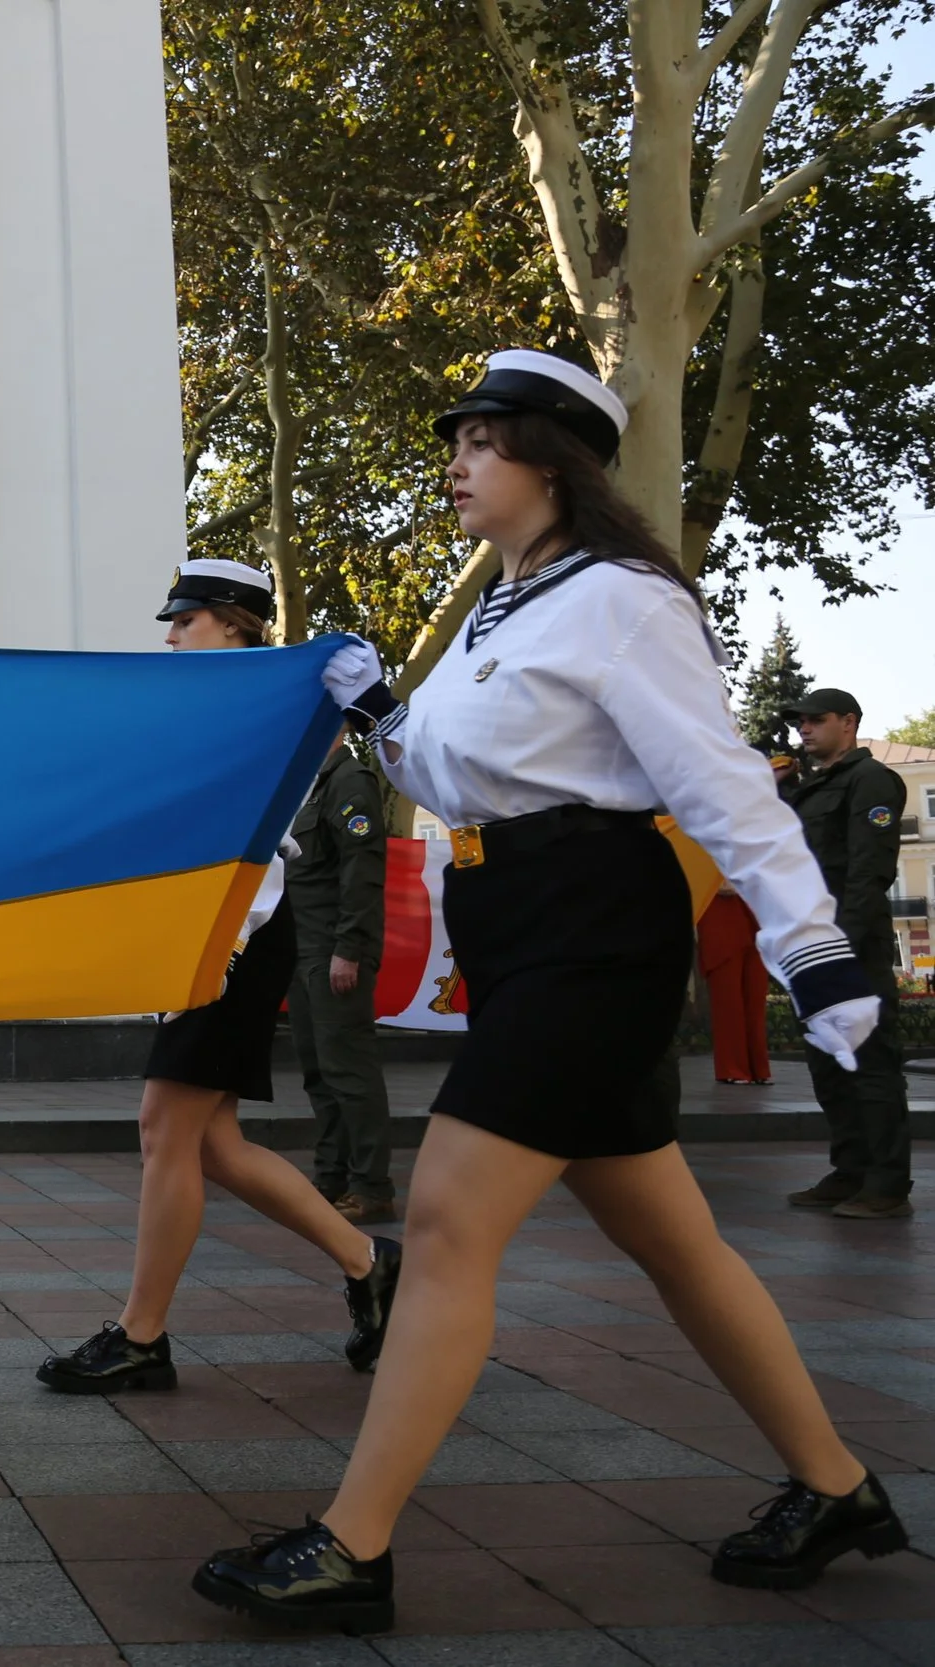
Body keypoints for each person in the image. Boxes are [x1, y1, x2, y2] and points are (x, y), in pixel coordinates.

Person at [194, 349, 905, 1634]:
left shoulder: (627, 599)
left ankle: (353, 1545)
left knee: (454, 1218)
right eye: (456, 439)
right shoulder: (499, 605)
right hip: (515, 921)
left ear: (549, 460)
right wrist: (381, 713)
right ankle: (836, 1483)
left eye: (481, 440)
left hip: (595, 926)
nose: (456, 463)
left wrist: (814, 947)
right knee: (673, 1238)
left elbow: (718, 782)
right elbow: (459, 773)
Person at [38, 559, 400, 1398]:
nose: (170, 637)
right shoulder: (211, 706)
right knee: (213, 1144)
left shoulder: (267, 705)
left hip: (244, 930)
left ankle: (141, 1335)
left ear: (234, 621)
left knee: (165, 1127)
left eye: (187, 621)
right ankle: (369, 1263)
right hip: (216, 933)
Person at [778, 687, 911, 1219]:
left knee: (870, 1063)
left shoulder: (872, 780)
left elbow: (868, 871)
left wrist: (841, 949)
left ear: (849, 723)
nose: (804, 730)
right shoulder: (812, 788)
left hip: (848, 945)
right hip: (810, 944)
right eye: (801, 722)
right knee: (830, 1062)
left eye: (816, 720)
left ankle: (886, 1185)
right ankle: (850, 1171)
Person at [289, 733, 395, 1222]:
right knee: (320, 1073)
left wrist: (349, 949)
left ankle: (371, 1187)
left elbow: (362, 869)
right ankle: (331, 1178)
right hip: (303, 947)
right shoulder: (305, 784)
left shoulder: (349, 781)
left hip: (334, 949)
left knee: (349, 1073)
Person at [700, 870, 771, 1086]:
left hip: (755, 910)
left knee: (755, 997)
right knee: (728, 999)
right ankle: (732, 1068)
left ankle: (758, 1068)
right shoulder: (699, 839)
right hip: (719, 913)